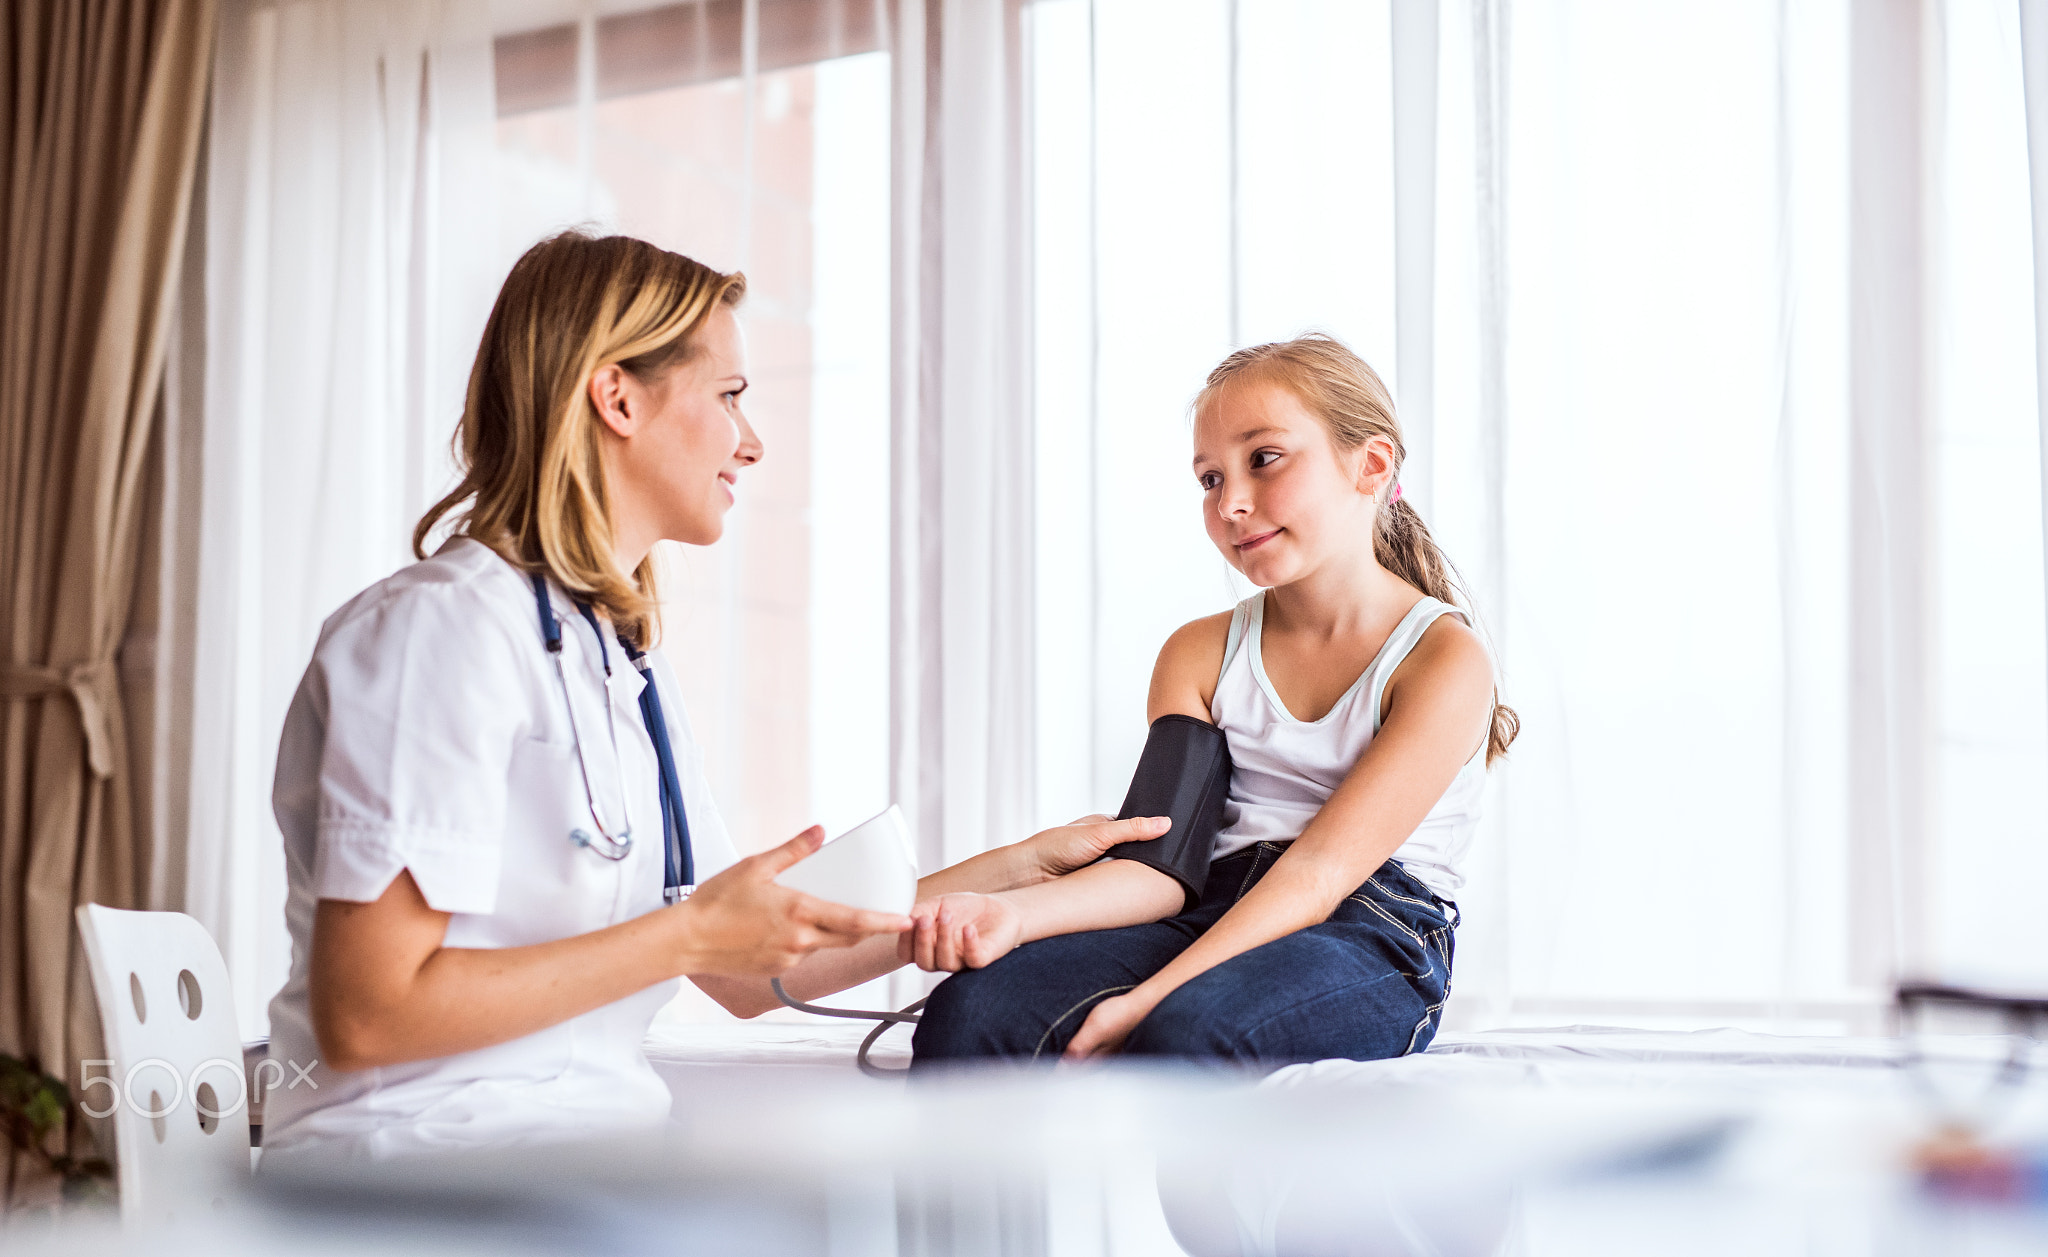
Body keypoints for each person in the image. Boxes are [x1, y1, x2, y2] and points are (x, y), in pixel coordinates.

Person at [261, 232, 1168, 1158]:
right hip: (412, 1170)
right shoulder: (439, 634)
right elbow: (368, 1014)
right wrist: (688, 934)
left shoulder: (621, 665)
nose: (752, 440)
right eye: (730, 396)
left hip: (575, 1164)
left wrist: (1014, 873)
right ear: (617, 396)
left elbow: (743, 969)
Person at [904, 334, 1518, 1069]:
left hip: (1370, 927)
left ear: (1372, 464)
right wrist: (1010, 915)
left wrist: (1146, 998)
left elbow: (1320, 873)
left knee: (1191, 1032)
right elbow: (1162, 868)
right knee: (970, 1011)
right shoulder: (1197, 653)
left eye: (1264, 459)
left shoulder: (1444, 659)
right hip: (1211, 907)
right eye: (1208, 479)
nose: (1231, 502)